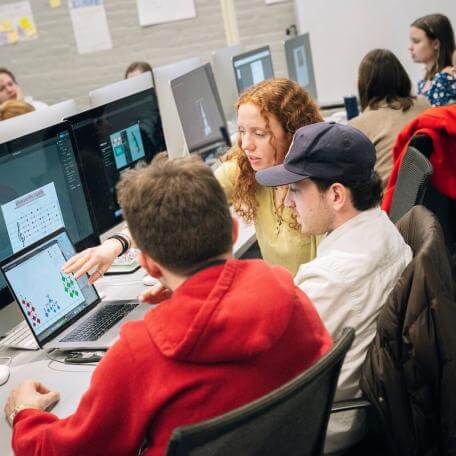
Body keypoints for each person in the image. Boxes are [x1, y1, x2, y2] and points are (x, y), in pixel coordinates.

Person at [4, 153, 332, 456]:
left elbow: (66, 451)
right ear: (233, 232)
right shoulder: (288, 292)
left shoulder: (139, 354)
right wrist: (191, 300)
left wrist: (25, 415)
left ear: (147, 264)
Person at [63, 78, 324, 282]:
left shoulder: (315, 184)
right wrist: (115, 245)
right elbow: (175, 204)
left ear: (293, 133)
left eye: (259, 133)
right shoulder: (246, 171)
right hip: (283, 303)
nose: (246, 145)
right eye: (242, 132)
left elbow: (327, 279)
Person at [255, 122, 413, 454]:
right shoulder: (385, 228)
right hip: (355, 410)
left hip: (322, 429)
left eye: (296, 190)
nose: (287, 204)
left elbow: (268, 370)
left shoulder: (331, 278)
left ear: (336, 195)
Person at [348, 49, 430, 187]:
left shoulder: (357, 126)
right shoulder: (423, 104)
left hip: (387, 203)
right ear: (402, 77)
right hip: (430, 197)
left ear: (363, 84)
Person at [409, 14, 456, 106]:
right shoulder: (424, 82)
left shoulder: (445, 79)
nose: (410, 47)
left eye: (416, 41)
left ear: (436, 44)